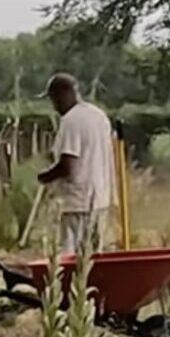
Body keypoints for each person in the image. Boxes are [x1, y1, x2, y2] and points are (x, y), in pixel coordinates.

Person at [35, 73, 116, 254]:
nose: (54, 105)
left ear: (64, 94)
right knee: (94, 256)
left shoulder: (71, 121)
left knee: (72, 257)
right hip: (100, 198)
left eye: (54, 99)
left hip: (78, 202)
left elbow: (68, 166)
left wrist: (44, 176)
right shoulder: (99, 116)